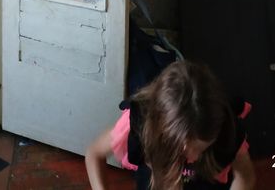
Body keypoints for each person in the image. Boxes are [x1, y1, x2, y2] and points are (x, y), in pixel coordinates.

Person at [85, 60, 256, 189]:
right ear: (160, 128)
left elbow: (245, 177)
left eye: (202, 148)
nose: (194, 157)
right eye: (182, 149)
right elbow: (94, 154)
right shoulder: (139, 123)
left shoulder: (227, 130)